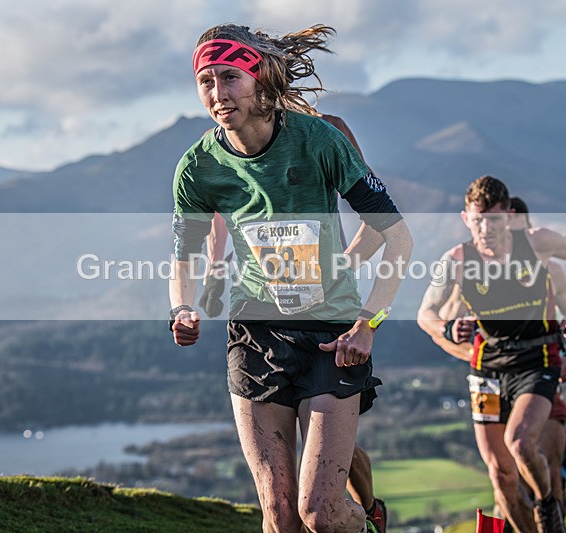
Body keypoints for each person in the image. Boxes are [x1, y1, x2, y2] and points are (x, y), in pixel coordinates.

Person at [169, 23, 413, 533]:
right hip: (255, 334)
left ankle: (368, 523)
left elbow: (395, 235)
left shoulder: (321, 138)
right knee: (280, 516)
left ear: (260, 77)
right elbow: (185, 251)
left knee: (319, 514)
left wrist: (367, 320)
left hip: (331, 335)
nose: (217, 93)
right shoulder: (198, 166)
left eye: (230, 78)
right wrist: (183, 306)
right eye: (206, 81)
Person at [197, 113, 389, 532]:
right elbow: (217, 207)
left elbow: (379, 221)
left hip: (325, 322)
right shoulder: (227, 140)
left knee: (321, 495)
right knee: (281, 507)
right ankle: (361, 511)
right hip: (262, 326)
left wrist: (344, 265)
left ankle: (368, 514)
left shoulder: (327, 131)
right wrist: (213, 271)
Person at [417, 176, 566, 533]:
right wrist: (448, 329)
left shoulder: (536, 243)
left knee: (520, 443)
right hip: (488, 370)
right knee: (500, 475)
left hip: (536, 360)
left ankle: (547, 505)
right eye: (478, 221)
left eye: (494, 221)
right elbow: (426, 314)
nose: (486, 230)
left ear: (509, 217)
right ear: (465, 219)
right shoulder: (456, 260)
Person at [509, 196, 566, 514]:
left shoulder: (551, 271)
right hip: (498, 386)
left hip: (543, 384)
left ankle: (554, 522)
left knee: (552, 477)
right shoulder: (479, 270)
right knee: (507, 482)